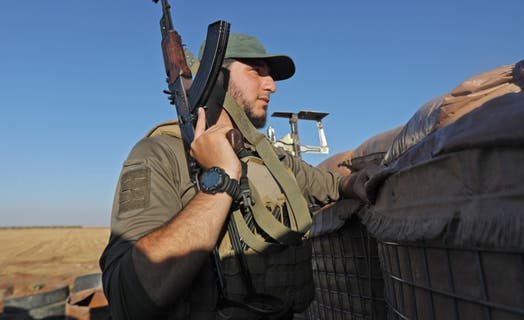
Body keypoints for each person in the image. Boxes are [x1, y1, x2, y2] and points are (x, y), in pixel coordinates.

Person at [100, 32, 368, 319]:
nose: (272, 86)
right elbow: (127, 297)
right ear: (217, 78)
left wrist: (363, 182)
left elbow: (328, 185)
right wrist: (221, 179)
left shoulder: (268, 157)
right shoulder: (160, 154)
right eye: (257, 71)